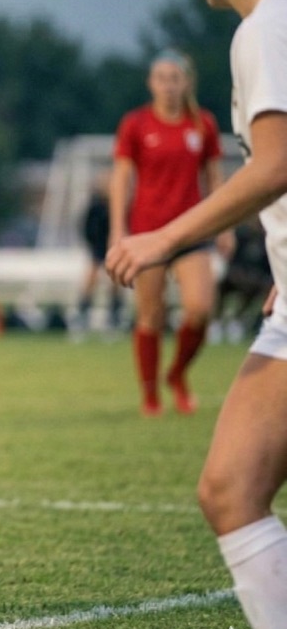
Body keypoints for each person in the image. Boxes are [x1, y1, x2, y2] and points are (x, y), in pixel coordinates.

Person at [106, 0, 287, 629]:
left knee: (230, 489)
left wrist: (163, 237)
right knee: (231, 487)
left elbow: (276, 166)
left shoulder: (266, 28)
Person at [110, 50, 232, 415]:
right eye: (161, 78)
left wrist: (224, 225)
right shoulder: (135, 125)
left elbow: (214, 178)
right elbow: (121, 178)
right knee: (152, 313)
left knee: (200, 309)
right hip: (148, 232)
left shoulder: (203, 125)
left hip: (192, 231)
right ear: (151, 83)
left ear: (186, 83)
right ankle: (150, 395)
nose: (168, 85)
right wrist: (118, 228)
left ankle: (177, 373)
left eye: (174, 78)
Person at [69, 172, 123, 339]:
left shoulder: (118, 207)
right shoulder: (95, 207)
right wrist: (93, 246)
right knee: (90, 279)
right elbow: (85, 228)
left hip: (114, 249)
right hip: (97, 250)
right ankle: (82, 315)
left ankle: (114, 317)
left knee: (115, 282)